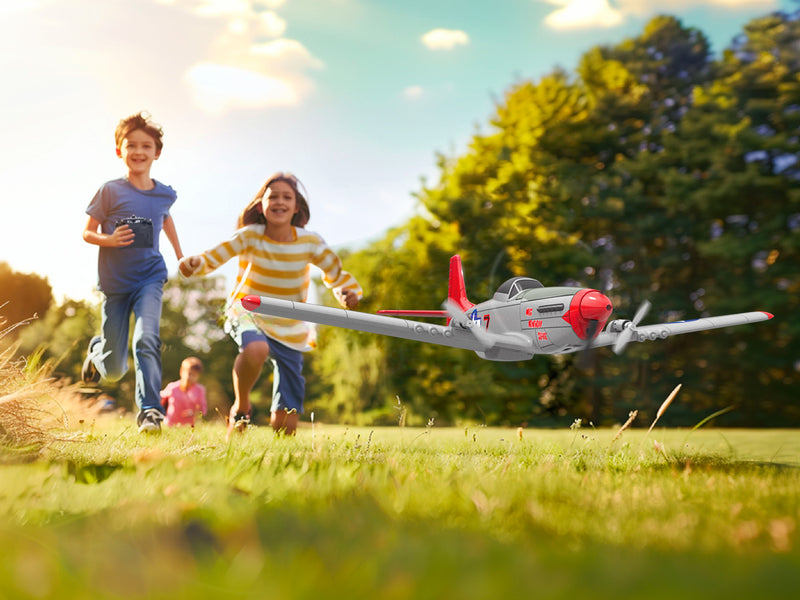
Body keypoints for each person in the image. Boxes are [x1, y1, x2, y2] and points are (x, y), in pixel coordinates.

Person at [179, 172, 361, 438]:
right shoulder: (250, 235)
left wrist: (348, 293)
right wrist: (195, 264)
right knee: (256, 347)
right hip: (247, 311)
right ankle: (241, 406)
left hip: (289, 325)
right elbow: (215, 255)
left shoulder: (310, 242)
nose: (279, 202)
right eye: (272, 196)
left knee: (284, 429)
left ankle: (278, 428)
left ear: (296, 207)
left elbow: (336, 275)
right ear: (261, 205)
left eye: (287, 197)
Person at [81, 112, 185, 434]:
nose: (139, 151)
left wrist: (181, 257)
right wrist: (108, 240)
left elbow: (165, 218)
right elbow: (87, 232)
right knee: (113, 370)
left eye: (146, 146)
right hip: (115, 285)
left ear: (157, 152)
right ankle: (97, 351)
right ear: (119, 151)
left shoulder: (164, 193)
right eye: (131, 146)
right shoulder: (110, 191)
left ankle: (151, 412)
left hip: (150, 278)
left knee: (146, 338)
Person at [160, 356, 207, 427]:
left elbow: (203, 410)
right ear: (181, 372)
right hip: (170, 424)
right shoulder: (172, 387)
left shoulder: (200, 390)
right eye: (189, 374)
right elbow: (159, 400)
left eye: (194, 375)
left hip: (189, 426)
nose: (190, 378)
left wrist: (194, 413)